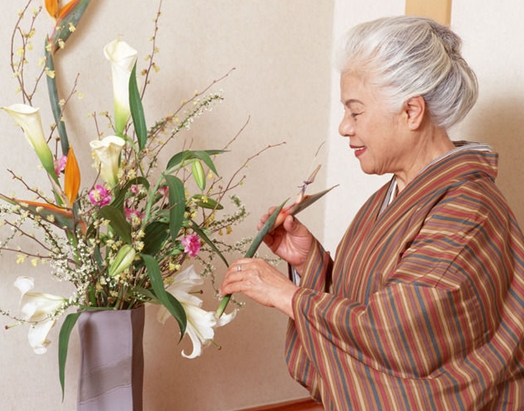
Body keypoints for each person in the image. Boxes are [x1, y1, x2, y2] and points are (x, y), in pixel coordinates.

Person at [220, 15, 524, 410]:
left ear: (411, 111)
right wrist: (308, 260)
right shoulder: (396, 193)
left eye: (356, 112)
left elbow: (400, 333)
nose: (344, 127)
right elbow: (366, 302)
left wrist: (286, 295)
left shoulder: (468, 209)